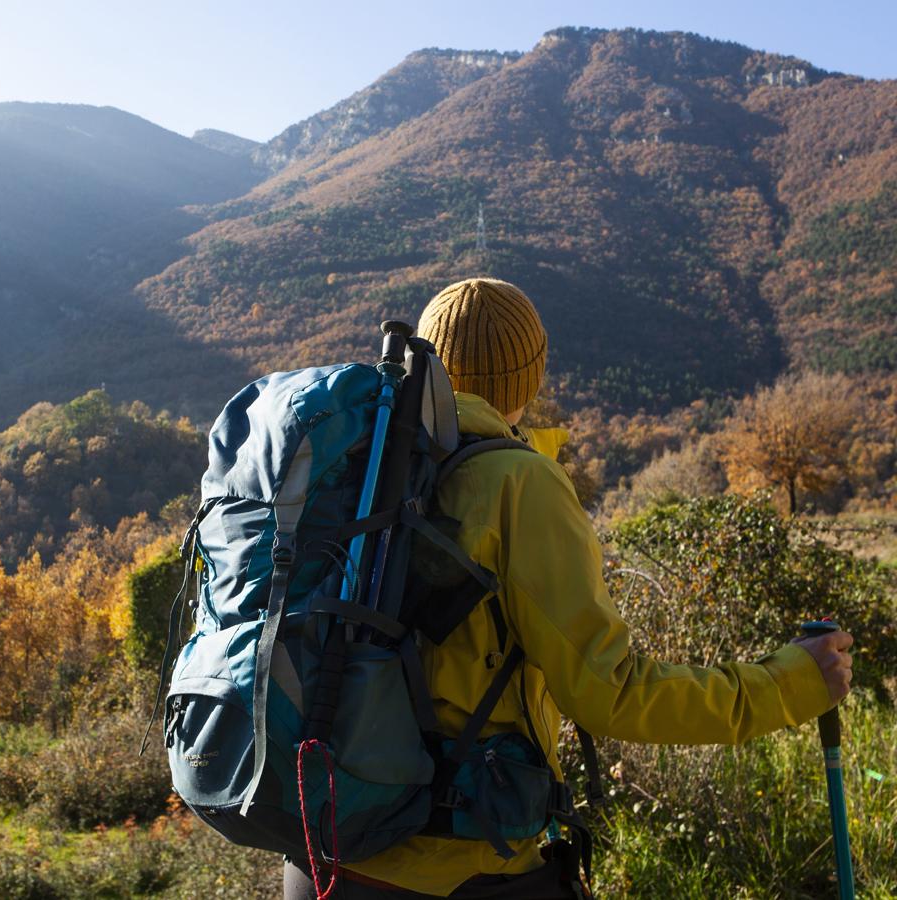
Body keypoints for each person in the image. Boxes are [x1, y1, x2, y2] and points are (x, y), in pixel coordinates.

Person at [284, 278, 854, 899]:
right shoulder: (517, 483)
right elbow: (613, 695)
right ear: (529, 380)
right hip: (457, 868)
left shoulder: (360, 463)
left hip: (320, 852)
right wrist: (793, 684)